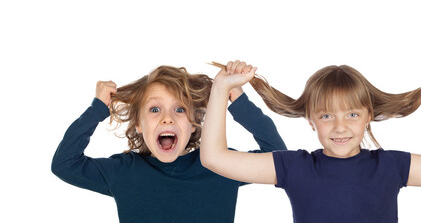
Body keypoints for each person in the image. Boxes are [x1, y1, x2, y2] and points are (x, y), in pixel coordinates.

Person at [201, 61, 421, 222]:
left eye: (351, 114)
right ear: (310, 119)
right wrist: (221, 87)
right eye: (326, 115)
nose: (340, 127)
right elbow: (213, 157)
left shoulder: (390, 166)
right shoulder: (295, 167)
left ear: (368, 116)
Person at [51, 64, 287, 223]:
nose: (167, 117)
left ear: (194, 123)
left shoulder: (220, 166)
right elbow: (64, 163)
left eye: (180, 109)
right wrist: (97, 108)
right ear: (139, 124)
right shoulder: (123, 172)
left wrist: (236, 97)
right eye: (155, 109)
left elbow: (278, 160)